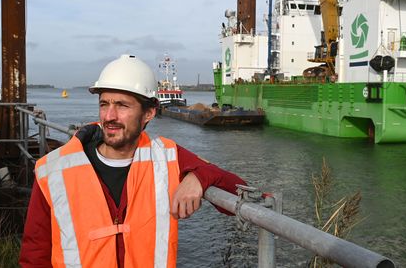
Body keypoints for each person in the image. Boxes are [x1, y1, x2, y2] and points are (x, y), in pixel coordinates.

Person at [20, 54, 246, 267]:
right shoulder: (54, 170)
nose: (109, 116)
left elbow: (241, 191)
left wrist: (199, 177)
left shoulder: (166, 157)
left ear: (148, 113)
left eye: (122, 105)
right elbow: (34, 255)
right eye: (104, 104)